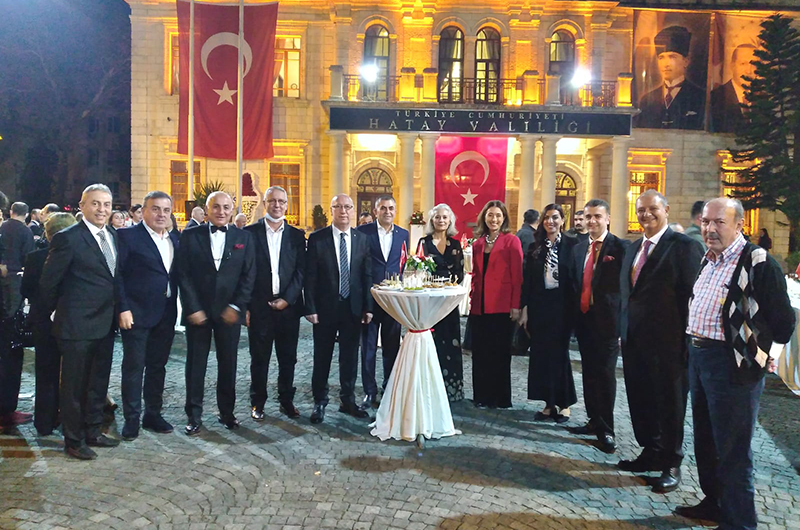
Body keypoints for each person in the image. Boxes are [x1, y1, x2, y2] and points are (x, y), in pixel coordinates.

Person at [676, 198, 795, 529]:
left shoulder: (758, 262)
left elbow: (784, 322)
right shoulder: (708, 258)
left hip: (733, 365)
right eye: (706, 222)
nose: (710, 229)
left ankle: (740, 523)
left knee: (733, 449)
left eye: (719, 222)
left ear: (739, 225)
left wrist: (764, 354)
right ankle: (714, 503)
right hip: (700, 358)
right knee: (706, 440)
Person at [618, 190, 704, 492]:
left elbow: (692, 297)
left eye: (652, 208)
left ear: (666, 209)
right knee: (641, 399)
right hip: (634, 340)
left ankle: (671, 462)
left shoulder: (684, 247)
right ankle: (651, 451)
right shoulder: (633, 248)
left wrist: (687, 341)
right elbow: (627, 294)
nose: (646, 214)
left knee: (670, 403)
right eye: (641, 210)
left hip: (669, 343)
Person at [39, 184, 120, 460]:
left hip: (105, 324)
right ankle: (73, 440)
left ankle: (93, 431)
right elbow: (49, 284)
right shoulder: (68, 238)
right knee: (73, 388)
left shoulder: (112, 235)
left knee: (97, 384)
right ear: (82, 206)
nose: (102, 209)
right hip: (76, 326)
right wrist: (56, 315)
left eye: (107, 204)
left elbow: (113, 278)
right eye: (95, 203)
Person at [177, 191, 255, 435]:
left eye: (226, 207)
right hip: (198, 312)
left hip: (229, 312)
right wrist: (193, 308)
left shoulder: (244, 237)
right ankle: (193, 415)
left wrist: (236, 307)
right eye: (216, 207)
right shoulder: (190, 235)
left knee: (228, 364)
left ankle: (227, 413)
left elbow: (249, 276)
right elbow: (183, 274)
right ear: (207, 209)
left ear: (232, 210)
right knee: (195, 365)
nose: (221, 211)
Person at [116, 191, 180, 441]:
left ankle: (153, 414)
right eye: (155, 209)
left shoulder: (174, 239)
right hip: (136, 314)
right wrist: (122, 308)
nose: (161, 214)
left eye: (166, 210)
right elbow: (117, 275)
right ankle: (131, 419)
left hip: (166, 313)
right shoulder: (127, 236)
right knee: (134, 367)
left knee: (157, 366)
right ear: (143, 211)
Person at [304, 194, 373, 424]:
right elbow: (310, 276)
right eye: (338, 207)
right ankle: (319, 402)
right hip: (325, 308)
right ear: (331, 210)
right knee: (322, 357)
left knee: (350, 357)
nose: (343, 211)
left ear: (353, 210)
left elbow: (366, 275)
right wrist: (310, 307)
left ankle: (348, 401)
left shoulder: (362, 239)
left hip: (353, 308)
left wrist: (368, 307)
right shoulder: (318, 238)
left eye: (347, 207)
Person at [570, 199, 629, 453]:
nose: (592, 221)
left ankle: (606, 429)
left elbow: (627, 287)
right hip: (584, 320)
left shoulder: (621, 248)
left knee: (605, 375)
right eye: (588, 216)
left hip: (608, 322)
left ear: (608, 219)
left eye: (597, 216)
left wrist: (623, 323)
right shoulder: (578, 248)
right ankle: (593, 420)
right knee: (589, 372)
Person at [244, 186, 306, 421]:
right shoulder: (250, 233)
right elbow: (245, 272)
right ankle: (257, 402)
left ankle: (286, 400)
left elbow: (301, 271)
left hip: (288, 308)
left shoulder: (296, 236)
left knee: (288, 358)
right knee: (259, 358)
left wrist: (287, 299)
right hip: (259, 306)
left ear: (287, 205)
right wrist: (247, 306)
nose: (277, 205)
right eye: (272, 201)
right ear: (265, 203)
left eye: (281, 201)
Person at [519, 203, 577, 422]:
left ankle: (564, 404)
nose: (550, 222)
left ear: (562, 220)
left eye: (555, 217)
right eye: (547, 218)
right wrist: (524, 309)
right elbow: (528, 280)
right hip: (539, 307)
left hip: (562, 308)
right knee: (541, 355)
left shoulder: (572, 245)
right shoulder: (535, 247)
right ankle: (548, 403)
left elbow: (575, 280)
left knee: (559, 355)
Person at [21, 213, 77, 436]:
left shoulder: (35, 258)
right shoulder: (77, 257)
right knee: (73, 373)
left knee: (45, 372)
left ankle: (44, 422)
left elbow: (25, 289)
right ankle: (70, 421)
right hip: (71, 321)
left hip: (42, 321)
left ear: (48, 233)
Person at [469, 200, 523, 409]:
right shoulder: (478, 244)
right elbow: (475, 275)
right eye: (490, 215)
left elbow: (517, 276)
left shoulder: (512, 241)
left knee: (499, 353)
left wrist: (515, 305)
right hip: (480, 306)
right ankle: (481, 396)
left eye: (498, 215)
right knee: (480, 353)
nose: (494, 219)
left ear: (504, 218)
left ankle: (499, 398)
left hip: (502, 305)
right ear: (484, 217)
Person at [357, 196, 409, 409]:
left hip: (392, 300)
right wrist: (364, 301)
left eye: (391, 208)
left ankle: (389, 387)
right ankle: (369, 391)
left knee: (392, 347)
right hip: (370, 298)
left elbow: (402, 264)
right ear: (375, 210)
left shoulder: (403, 234)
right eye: (383, 208)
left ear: (395, 210)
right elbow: (358, 265)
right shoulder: (363, 232)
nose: (387, 211)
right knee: (368, 348)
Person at [417, 203, 465, 401]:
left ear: (450, 220)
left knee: (450, 344)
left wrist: (447, 287)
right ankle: (429, 388)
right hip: (430, 302)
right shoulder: (423, 242)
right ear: (432, 220)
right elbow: (418, 269)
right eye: (437, 217)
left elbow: (460, 273)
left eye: (445, 217)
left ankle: (450, 390)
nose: (441, 220)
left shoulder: (455, 244)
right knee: (432, 342)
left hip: (449, 303)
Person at [635, 26, 705, 130]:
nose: (666, 64)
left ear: (686, 61)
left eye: (672, 57)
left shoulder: (700, 97)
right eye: (661, 58)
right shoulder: (646, 100)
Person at [711, 44, 757, 133]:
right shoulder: (716, 97)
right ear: (732, 66)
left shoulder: (763, 98)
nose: (749, 70)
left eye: (753, 64)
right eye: (743, 64)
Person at [0, 202, 34, 318]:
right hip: (16, 274)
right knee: (14, 310)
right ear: (26, 214)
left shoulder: (2, 227)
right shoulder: (26, 231)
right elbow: (28, 255)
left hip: (2, 270)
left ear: (11, 212)